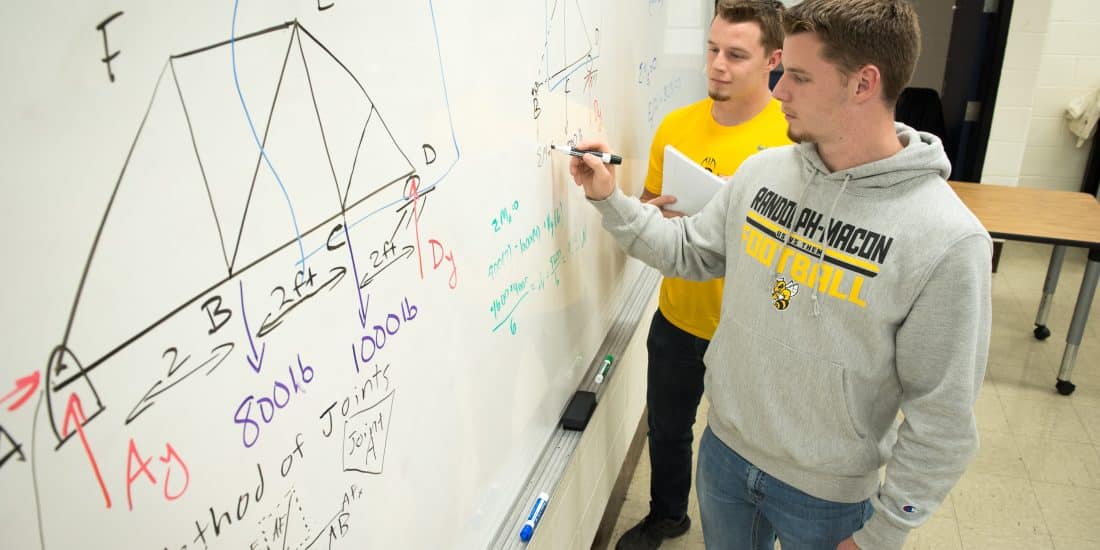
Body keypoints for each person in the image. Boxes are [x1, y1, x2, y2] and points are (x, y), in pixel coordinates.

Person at [571, 1, 992, 549]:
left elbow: (943, 417)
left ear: (863, 84)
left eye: (798, 76)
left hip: (828, 498)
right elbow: (689, 252)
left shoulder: (947, 239)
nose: (777, 92)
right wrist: (609, 198)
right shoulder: (764, 173)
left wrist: (888, 531)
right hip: (724, 457)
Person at [615, 2, 791, 549]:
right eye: (712, 50)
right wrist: (661, 213)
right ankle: (668, 515)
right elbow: (648, 208)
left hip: (754, 328)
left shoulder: (793, 137)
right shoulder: (677, 127)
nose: (717, 64)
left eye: (736, 54)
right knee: (668, 430)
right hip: (679, 314)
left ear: (773, 60)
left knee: (753, 446)